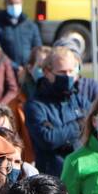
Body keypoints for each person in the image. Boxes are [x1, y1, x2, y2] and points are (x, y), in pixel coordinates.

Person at [24, 46, 93, 176]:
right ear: (47, 72)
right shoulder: (35, 105)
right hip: (53, 176)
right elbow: (48, 139)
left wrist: (62, 133)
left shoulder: (79, 100)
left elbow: (94, 126)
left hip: (82, 172)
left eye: (70, 71)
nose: (67, 76)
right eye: (62, 72)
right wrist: (78, 124)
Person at [9, 45, 50, 166]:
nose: (44, 72)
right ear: (30, 68)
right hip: (29, 164)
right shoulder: (16, 105)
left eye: (48, 67)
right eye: (40, 67)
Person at [0, 0, 42, 70]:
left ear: (22, 3)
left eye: (17, 3)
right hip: (7, 69)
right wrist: (15, 67)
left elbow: (38, 48)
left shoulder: (31, 26)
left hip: (28, 70)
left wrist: (30, 66)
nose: (14, 6)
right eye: (11, 3)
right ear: (5, 5)